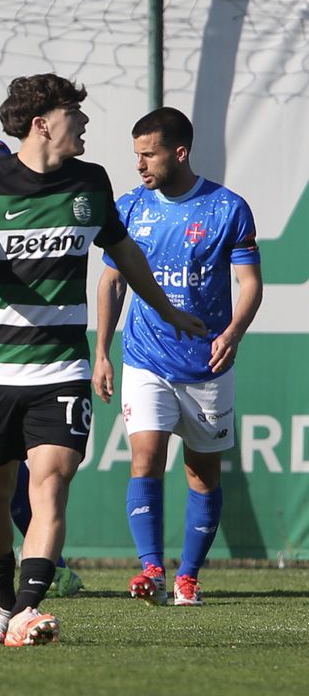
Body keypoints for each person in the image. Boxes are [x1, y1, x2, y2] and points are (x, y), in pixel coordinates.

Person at [0, 74, 206, 646]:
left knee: (50, 485)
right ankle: (0, 606)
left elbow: (123, 252)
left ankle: (28, 608)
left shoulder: (91, 182)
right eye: (73, 114)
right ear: (42, 123)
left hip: (63, 369)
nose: (83, 124)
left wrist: (170, 310)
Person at [93, 107, 262, 607]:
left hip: (207, 364)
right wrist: (102, 351)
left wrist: (233, 331)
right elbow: (112, 281)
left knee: (201, 474)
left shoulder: (227, 208)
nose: (140, 165)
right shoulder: (129, 207)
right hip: (145, 359)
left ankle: (188, 576)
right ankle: (151, 571)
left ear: (179, 152)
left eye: (149, 154)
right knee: (144, 459)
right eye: (136, 155)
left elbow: (250, 284)